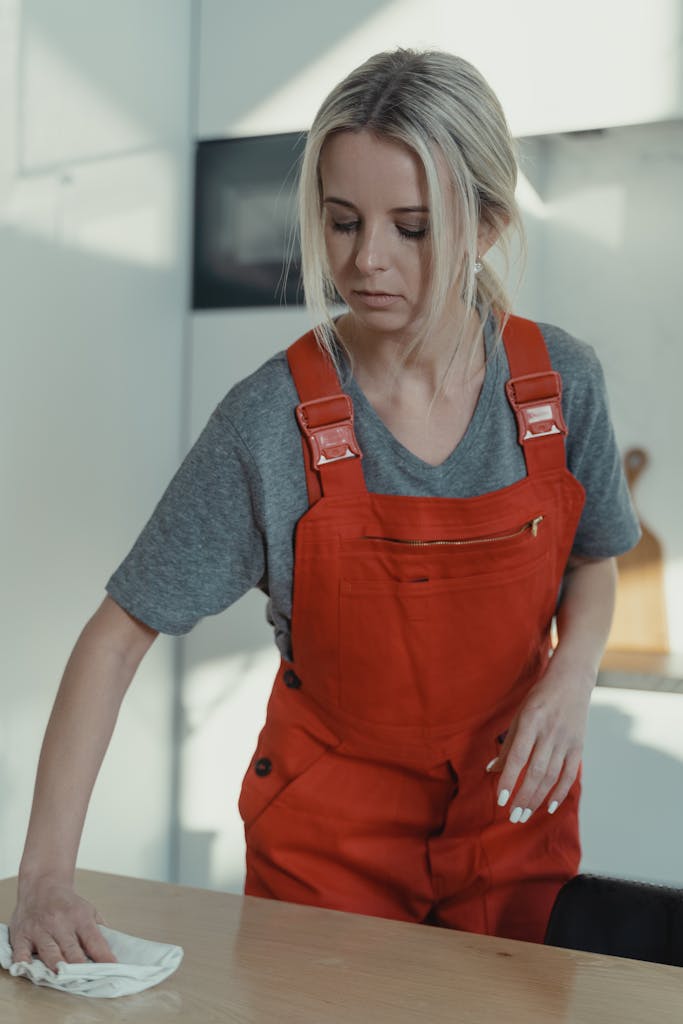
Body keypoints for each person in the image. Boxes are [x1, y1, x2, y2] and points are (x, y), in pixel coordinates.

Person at [10, 48, 639, 968]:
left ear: (489, 224)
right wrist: (44, 879)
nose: (365, 261)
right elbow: (115, 638)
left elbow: (593, 558)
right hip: (325, 857)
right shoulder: (269, 421)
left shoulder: (558, 385)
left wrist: (572, 673)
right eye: (340, 222)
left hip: (511, 836)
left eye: (412, 228)